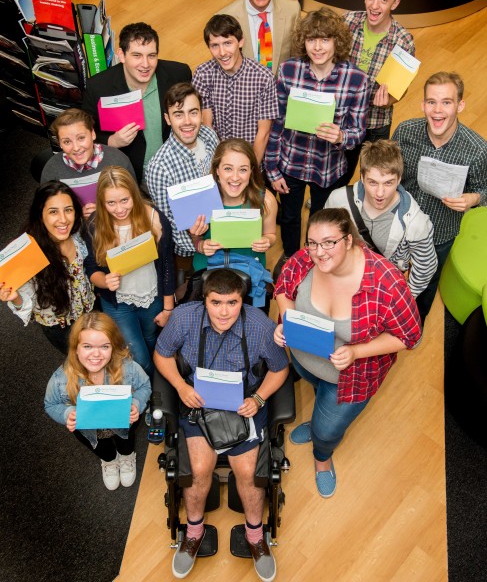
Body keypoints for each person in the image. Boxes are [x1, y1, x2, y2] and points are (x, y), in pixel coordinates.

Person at [274, 208, 421, 498]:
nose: (319, 252)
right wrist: (287, 322)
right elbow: (283, 287)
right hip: (305, 360)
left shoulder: (386, 283)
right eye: (313, 243)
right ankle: (316, 420)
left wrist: (356, 352)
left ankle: (322, 456)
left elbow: (409, 336)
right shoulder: (304, 259)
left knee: (327, 431)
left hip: (350, 379)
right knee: (316, 394)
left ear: (350, 240)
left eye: (329, 242)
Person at [154, 268, 289, 581]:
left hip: (244, 404)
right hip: (199, 403)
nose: (224, 311)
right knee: (200, 469)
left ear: (242, 300)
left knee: (247, 472)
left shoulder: (259, 324)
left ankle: (256, 537)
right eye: (216, 303)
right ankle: (194, 532)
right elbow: (162, 356)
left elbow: (280, 369)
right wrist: (181, 387)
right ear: (205, 299)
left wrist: (258, 398)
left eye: (232, 302)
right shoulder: (185, 318)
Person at [264, 7, 371, 277]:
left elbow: (358, 132)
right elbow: (277, 122)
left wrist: (341, 136)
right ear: (304, 41)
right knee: (288, 217)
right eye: (312, 39)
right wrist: (272, 167)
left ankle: (313, 261)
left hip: (329, 167)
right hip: (291, 162)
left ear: (337, 42)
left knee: (320, 221)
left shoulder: (357, 80)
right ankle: (290, 257)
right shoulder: (289, 71)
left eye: (325, 39)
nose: (318, 47)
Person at [392, 71, 487, 322]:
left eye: (447, 102)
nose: (438, 110)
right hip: (399, 221)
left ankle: (416, 320)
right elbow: (389, 169)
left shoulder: (476, 149)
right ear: (423, 104)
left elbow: (485, 190)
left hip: (441, 232)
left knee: (428, 279)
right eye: (431, 102)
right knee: (391, 270)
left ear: (460, 105)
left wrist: (473, 199)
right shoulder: (404, 132)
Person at [84, 166, 175, 379]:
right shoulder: (94, 225)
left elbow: (168, 264)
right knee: (139, 357)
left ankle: (158, 387)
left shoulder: (154, 219)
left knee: (152, 341)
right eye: (111, 203)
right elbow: (91, 266)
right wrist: (105, 281)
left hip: (151, 296)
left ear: (134, 195)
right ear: (102, 202)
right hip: (117, 303)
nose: (119, 209)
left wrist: (168, 308)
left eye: (125, 200)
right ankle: (152, 391)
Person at [44, 311, 151, 490]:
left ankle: (126, 457)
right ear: (75, 348)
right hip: (89, 430)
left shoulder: (128, 368)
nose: (96, 354)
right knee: (103, 449)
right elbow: (50, 404)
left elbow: (145, 386)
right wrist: (66, 414)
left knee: (126, 443)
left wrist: (136, 404)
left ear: (114, 347)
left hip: (123, 422)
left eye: (104, 346)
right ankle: (109, 461)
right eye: (87, 346)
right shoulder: (61, 378)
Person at [325, 139, 437, 299]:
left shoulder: (416, 223)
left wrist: (402, 298)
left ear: (399, 179)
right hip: (341, 280)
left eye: (388, 183)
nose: (380, 193)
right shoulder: (338, 200)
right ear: (362, 177)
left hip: (381, 290)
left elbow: (426, 266)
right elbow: (325, 239)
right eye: (372, 182)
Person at [82, 22, 192, 182]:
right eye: (137, 55)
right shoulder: (99, 87)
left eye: (151, 55)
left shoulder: (179, 74)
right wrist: (111, 141)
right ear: (121, 55)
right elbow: (84, 131)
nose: (146, 64)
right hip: (131, 176)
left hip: (175, 169)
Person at [0, 181, 94, 353]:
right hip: (62, 328)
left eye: (68, 209)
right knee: (82, 360)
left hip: (90, 310)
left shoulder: (77, 235)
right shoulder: (28, 253)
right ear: (40, 214)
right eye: (53, 212)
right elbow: (26, 304)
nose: (63, 219)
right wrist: (15, 298)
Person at [341, 0, 415, 184]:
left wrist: (388, 101)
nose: (375, 5)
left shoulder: (403, 41)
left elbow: (400, 89)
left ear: (395, 4)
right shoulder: (347, 22)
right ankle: (334, 198)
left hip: (376, 121)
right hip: (344, 116)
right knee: (342, 168)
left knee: (374, 173)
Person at [189, 138, 277, 310]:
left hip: (249, 272)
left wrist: (267, 241)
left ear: (251, 171)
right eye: (228, 168)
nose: (235, 177)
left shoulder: (266, 200)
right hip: (209, 273)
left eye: (243, 170)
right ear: (217, 170)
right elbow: (195, 238)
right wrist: (201, 245)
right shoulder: (200, 199)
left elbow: (271, 235)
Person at [144, 83, 219, 281]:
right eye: (178, 114)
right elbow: (169, 225)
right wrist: (199, 244)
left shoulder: (209, 136)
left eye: (193, 112)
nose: (187, 121)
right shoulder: (159, 168)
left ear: (201, 113)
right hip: (190, 254)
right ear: (167, 119)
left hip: (221, 232)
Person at [192, 14, 279, 164]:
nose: (222, 52)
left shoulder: (264, 78)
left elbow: (263, 133)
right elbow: (207, 126)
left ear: (240, 41)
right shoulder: (202, 74)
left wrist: (251, 170)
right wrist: (220, 166)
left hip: (251, 158)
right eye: (215, 46)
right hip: (217, 158)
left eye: (227, 43)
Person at [40, 108, 136, 218]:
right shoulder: (52, 171)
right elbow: (47, 212)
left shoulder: (119, 161)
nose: (76, 148)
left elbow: (136, 199)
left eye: (81, 138)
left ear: (93, 134)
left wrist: (104, 211)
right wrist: (77, 215)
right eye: (67, 142)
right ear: (60, 143)